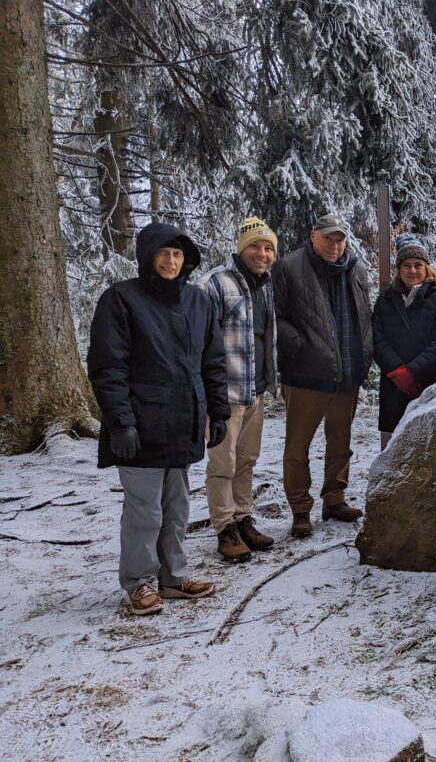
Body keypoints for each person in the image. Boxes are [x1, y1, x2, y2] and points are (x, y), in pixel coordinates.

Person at [88, 222, 229, 616]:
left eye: (178, 254)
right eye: (164, 253)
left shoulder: (199, 301)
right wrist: (121, 421)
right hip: (140, 423)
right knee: (144, 511)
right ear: (148, 256)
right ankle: (138, 583)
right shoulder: (121, 299)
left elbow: (212, 361)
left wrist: (218, 410)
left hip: (184, 419)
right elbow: (107, 366)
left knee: (177, 506)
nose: (171, 261)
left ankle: (173, 578)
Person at [272, 213, 373, 538]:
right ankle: (301, 509)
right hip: (306, 375)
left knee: (340, 444)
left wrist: (364, 357)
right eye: (328, 238)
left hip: (347, 374)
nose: (334, 244)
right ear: (313, 235)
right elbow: (275, 314)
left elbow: (364, 314)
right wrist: (298, 344)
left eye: (339, 238)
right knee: (297, 448)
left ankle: (334, 499)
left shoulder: (356, 268)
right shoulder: (289, 267)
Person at [197, 217, 279, 563]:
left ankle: (243, 517)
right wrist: (207, 393)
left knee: (246, 460)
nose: (262, 253)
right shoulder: (214, 283)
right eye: (255, 246)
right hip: (224, 393)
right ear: (241, 248)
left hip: (255, 390)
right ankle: (224, 527)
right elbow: (198, 341)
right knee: (222, 464)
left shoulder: (265, 286)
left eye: (268, 247)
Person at [372, 235, 436, 448]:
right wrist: (398, 371)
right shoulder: (385, 300)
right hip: (395, 385)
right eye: (406, 265)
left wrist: (412, 372)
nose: (412, 270)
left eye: (418, 265)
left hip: (427, 383)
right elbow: (377, 338)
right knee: (396, 448)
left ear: (426, 267)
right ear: (399, 269)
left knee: (429, 444)